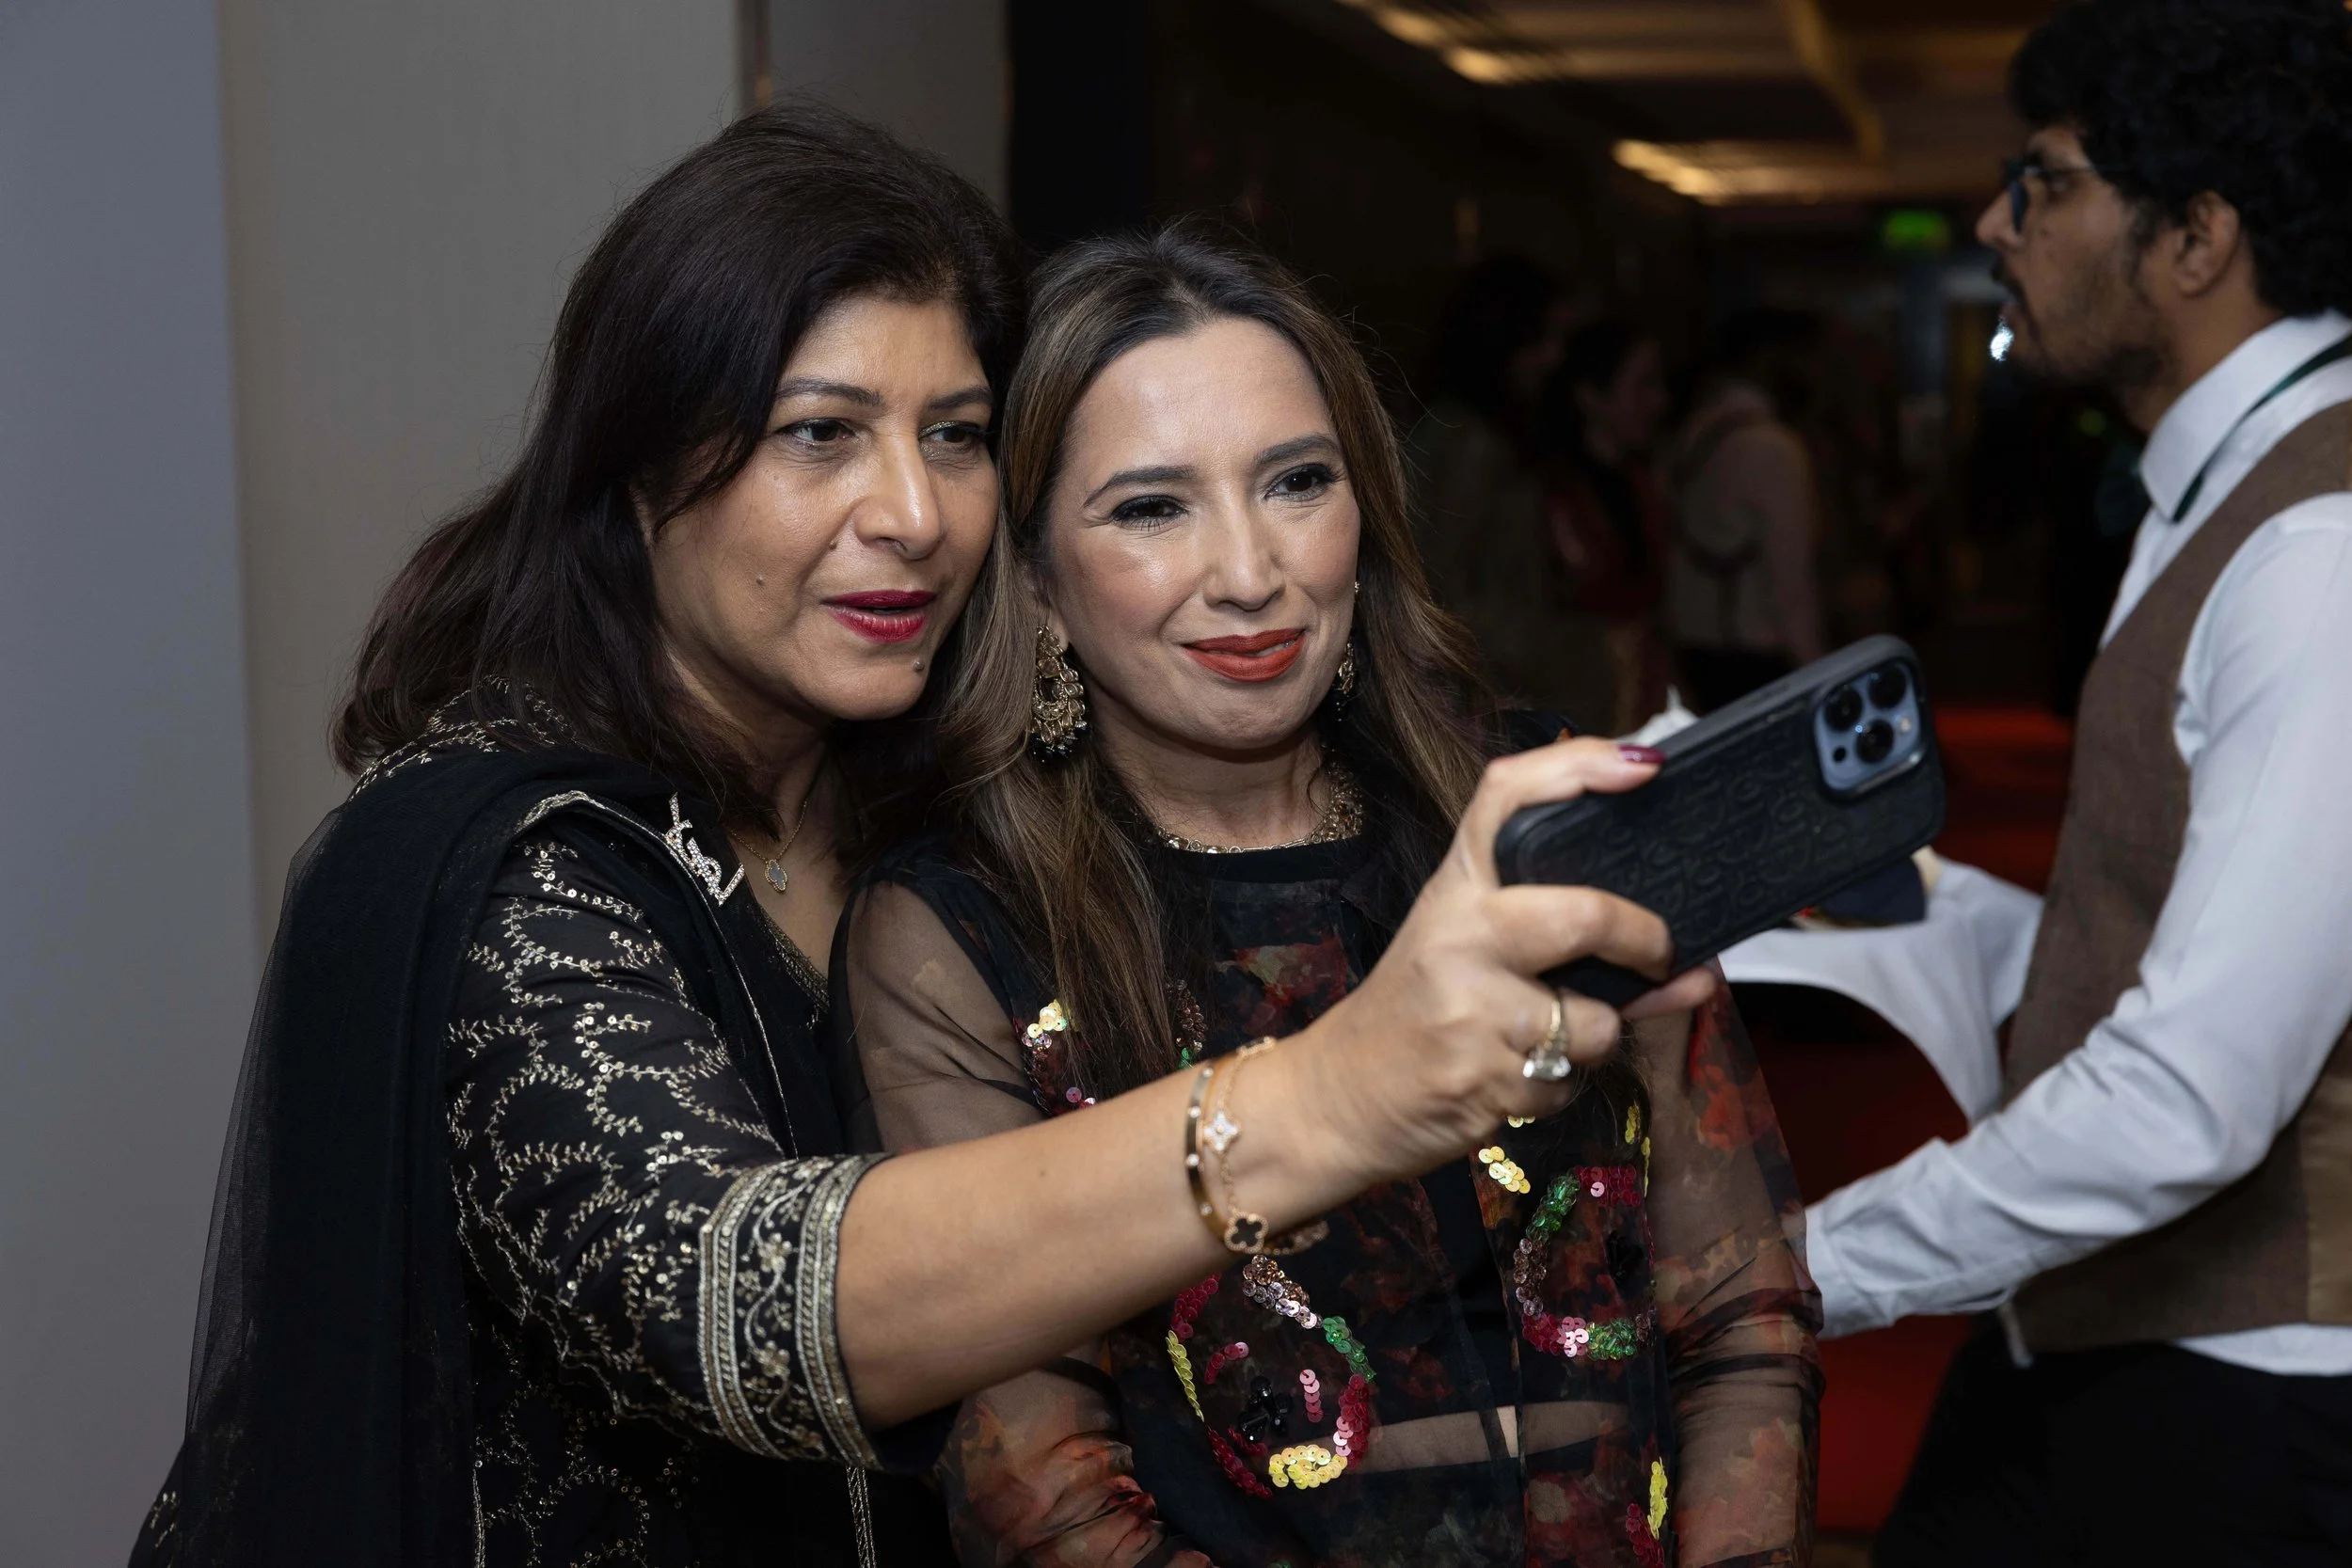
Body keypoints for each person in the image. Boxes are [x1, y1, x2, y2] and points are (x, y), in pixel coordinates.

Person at [132, 110, 1708, 1568]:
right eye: (821, 433)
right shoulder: (501, 868)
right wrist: (1343, 1089)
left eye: (955, 435)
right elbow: (742, 1299)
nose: (915, 513)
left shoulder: (924, 801)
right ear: (638, 466)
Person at [837, 227, 1820, 1568]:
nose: (1253, 572)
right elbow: (1045, 1497)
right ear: (1038, 584)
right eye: (1151, 508)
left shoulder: (1539, 812)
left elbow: (1742, 1314)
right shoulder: (963, 926)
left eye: (1298, 481)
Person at [1801, 4, 2352, 1563]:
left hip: (2256, 1382)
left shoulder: (2315, 548)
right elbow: (2195, 910)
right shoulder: (2230, 482)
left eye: (2041, 181)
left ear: (2197, 236)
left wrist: (1802, 1262)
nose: (1996, 223)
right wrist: (1905, 902)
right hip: (2124, 1327)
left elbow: (2191, 1095)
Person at [1406, 258, 1594, 716]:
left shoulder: (1494, 430)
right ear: (1500, 339)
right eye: (1541, 339)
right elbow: (1438, 579)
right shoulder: (1468, 439)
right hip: (1483, 684)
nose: (1554, 357)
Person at [1663, 309, 1827, 712]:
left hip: (1692, 650)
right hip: (1755, 658)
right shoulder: (1772, 447)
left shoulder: (1691, 432)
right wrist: (1820, 677)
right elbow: (1792, 589)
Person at [1539, 320, 1675, 734]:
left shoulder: (1643, 482)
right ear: (1591, 397)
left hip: (1642, 693)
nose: (1659, 402)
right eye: (1643, 385)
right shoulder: (1547, 493)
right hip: (1576, 698)